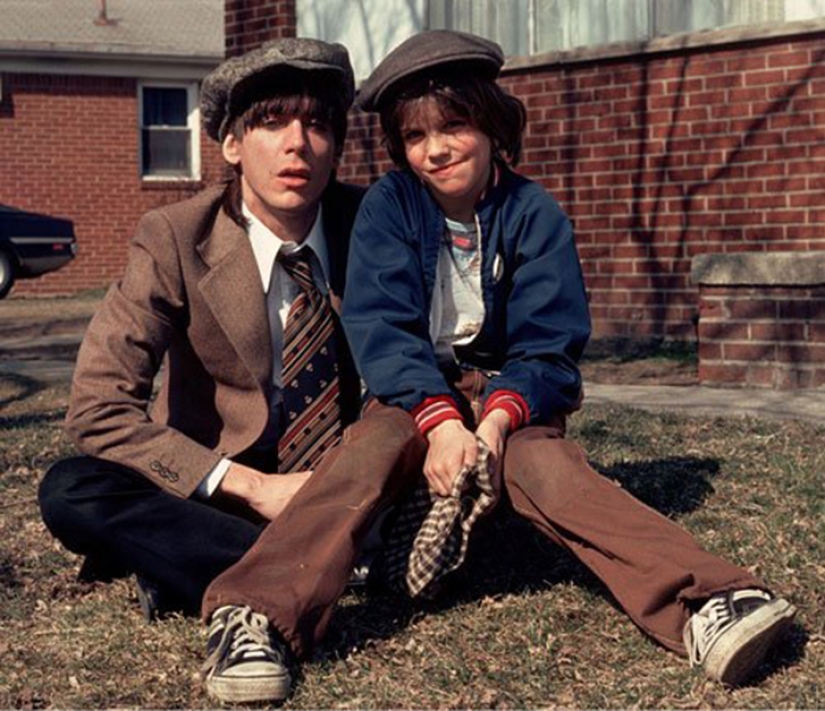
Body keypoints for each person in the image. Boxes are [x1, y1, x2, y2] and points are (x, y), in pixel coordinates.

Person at [341, 29, 797, 688]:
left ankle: (706, 600)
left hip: (505, 393)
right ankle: (263, 609)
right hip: (413, 391)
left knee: (543, 467)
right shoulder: (390, 206)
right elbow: (381, 328)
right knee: (367, 451)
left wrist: (494, 424)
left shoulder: (533, 214)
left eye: (454, 126)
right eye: (415, 137)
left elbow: (547, 349)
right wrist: (439, 420)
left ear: (492, 124)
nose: (435, 150)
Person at [38, 38, 426, 704]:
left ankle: (221, 566)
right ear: (231, 145)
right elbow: (99, 407)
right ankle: (324, 564)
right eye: (272, 122)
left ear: (336, 145)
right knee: (71, 489)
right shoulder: (173, 236)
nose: (297, 143)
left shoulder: (376, 225)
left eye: (318, 124)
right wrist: (253, 488)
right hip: (223, 487)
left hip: (350, 481)